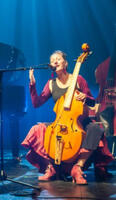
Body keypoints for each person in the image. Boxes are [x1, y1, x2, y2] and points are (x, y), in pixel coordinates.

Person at [21, 50, 114, 185]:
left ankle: (78, 167)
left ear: (65, 63)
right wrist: (32, 85)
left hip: (80, 120)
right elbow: (36, 103)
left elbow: (92, 102)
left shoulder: (78, 79)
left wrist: (85, 97)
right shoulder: (51, 83)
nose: (55, 62)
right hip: (60, 122)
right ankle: (50, 168)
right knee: (37, 129)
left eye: (58, 59)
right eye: (53, 61)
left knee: (95, 129)